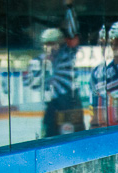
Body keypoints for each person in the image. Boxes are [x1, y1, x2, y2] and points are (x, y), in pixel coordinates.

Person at [34, 1, 85, 137]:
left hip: (70, 104)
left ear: (60, 44)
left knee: (76, 138)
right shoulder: (42, 61)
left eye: (52, 44)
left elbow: (73, 33)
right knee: (49, 136)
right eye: (46, 45)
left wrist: (70, 8)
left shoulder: (67, 54)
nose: (49, 48)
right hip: (53, 105)